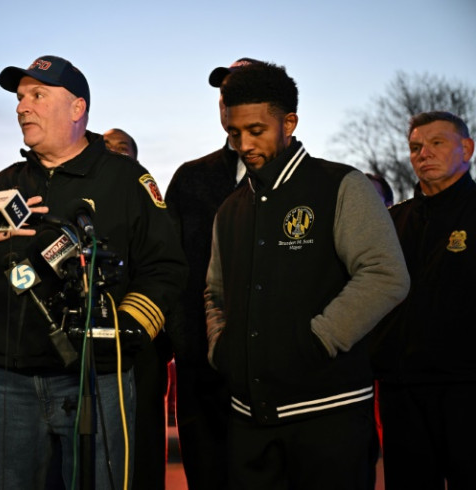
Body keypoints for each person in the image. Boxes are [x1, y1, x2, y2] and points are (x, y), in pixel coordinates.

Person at [0, 55, 187, 490]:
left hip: (97, 378)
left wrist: (126, 328)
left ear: (77, 109)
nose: (21, 107)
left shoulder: (127, 181)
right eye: (19, 98)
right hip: (10, 381)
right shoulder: (3, 184)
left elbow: (165, 267)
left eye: (37, 95)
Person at [204, 61, 410, 489]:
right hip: (249, 423)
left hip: (328, 417)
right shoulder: (230, 209)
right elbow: (214, 293)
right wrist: (220, 347)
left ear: (289, 122)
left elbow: (386, 275)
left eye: (256, 130)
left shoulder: (341, 185)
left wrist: (318, 339)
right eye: (233, 133)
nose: (244, 143)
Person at [370, 111, 476, 490]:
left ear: (467, 148)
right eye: (415, 147)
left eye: (436, 143)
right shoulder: (392, 222)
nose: (423, 154)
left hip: (466, 390)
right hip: (401, 392)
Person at [163, 57, 255, 490]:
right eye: (224, 96)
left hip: (279, 375)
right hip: (202, 371)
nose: (228, 103)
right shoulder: (191, 179)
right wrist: (184, 343)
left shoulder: (313, 184)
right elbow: (170, 268)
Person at [103, 127, 171, 490]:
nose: (113, 151)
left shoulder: (148, 200)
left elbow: (166, 268)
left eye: (123, 147)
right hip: (91, 347)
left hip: (140, 343)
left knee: (142, 444)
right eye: (106, 146)